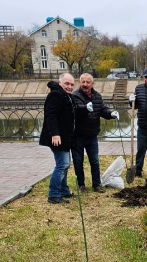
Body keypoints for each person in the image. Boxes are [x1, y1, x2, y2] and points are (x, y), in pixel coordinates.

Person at [72, 73, 119, 193]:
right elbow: (75, 110)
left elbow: (102, 109)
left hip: (92, 135)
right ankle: (81, 185)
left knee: (95, 161)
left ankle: (96, 185)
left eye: (88, 82)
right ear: (80, 83)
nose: (85, 84)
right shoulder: (75, 96)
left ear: (92, 84)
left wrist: (111, 113)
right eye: (83, 82)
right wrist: (84, 108)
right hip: (78, 135)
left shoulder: (97, 96)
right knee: (78, 161)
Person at [39, 73, 76, 204]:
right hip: (57, 138)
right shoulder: (55, 95)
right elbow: (50, 115)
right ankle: (54, 195)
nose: (70, 86)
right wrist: (55, 133)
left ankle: (64, 190)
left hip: (65, 137)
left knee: (65, 165)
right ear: (60, 83)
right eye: (67, 83)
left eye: (72, 84)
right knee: (62, 165)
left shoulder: (66, 95)